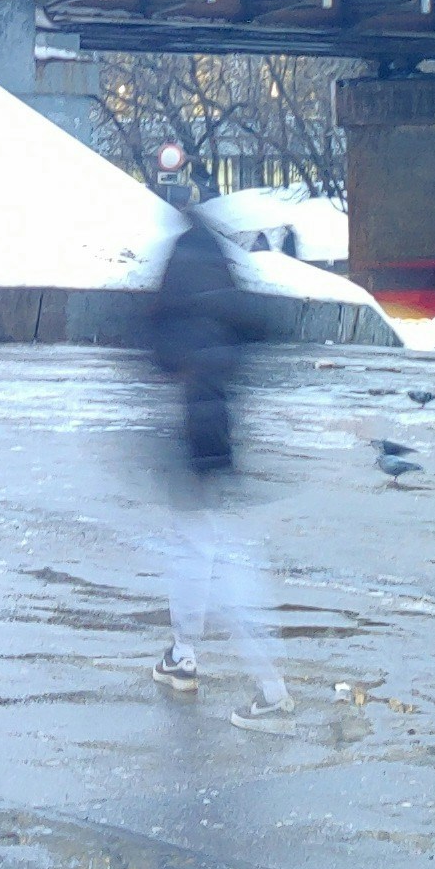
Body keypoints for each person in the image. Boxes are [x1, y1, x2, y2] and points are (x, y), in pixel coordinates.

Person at [144, 193, 292, 722]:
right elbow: (256, 327)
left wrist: (182, 361)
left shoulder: (180, 264)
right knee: (196, 543)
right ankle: (183, 654)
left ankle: (268, 685)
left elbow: (156, 346)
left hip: (194, 419)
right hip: (220, 418)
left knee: (208, 551)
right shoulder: (220, 265)